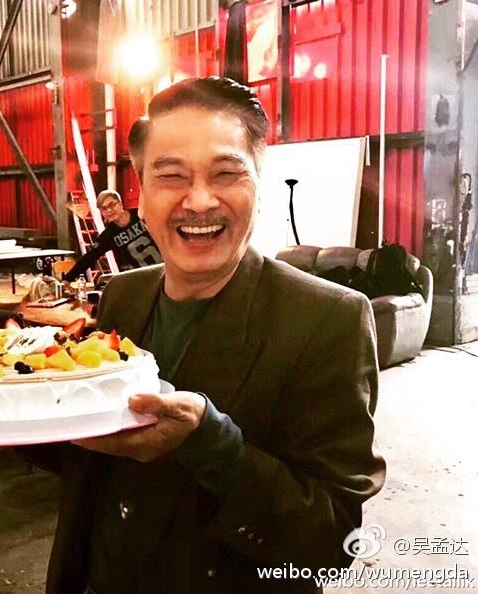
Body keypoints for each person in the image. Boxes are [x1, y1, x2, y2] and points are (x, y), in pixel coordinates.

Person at [43, 77, 386, 594]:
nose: (200, 200)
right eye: (171, 176)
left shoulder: (328, 319)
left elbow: (331, 540)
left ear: (259, 186)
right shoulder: (124, 296)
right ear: (142, 195)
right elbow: (90, 459)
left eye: (226, 173)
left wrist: (213, 445)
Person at [63, 189, 162, 282]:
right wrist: (67, 279)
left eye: (112, 205)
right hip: (142, 279)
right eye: (104, 209)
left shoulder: (141, 215)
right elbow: (89, 257)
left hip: (165, 269)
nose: (109, 210)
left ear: (120, 203)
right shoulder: (109, 235)